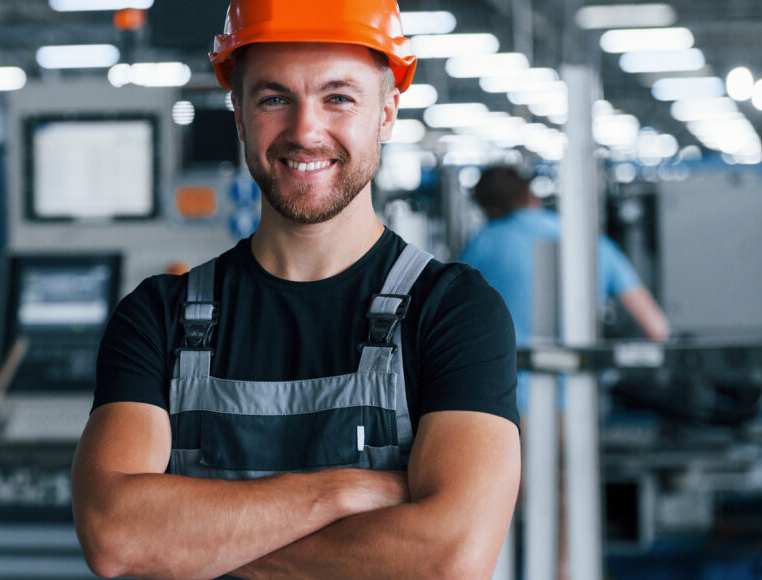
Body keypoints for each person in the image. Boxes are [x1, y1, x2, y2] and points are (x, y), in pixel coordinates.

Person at [71, 1, 521, 578]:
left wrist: (200, 542)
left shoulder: (453, 312)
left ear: (386, 113)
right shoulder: (158, 317)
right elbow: (116, 536)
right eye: (274, 98)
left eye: (339, 97)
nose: (306, 131)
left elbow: (450, 557)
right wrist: (335, 493)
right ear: (238, 113)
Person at [460, 165, 671, 348]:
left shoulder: (482, 244)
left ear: (490, 210)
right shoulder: (589, 241)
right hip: (582, 389)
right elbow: (657, 328)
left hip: (508, 387)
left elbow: (455, 319)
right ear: (529, 194)